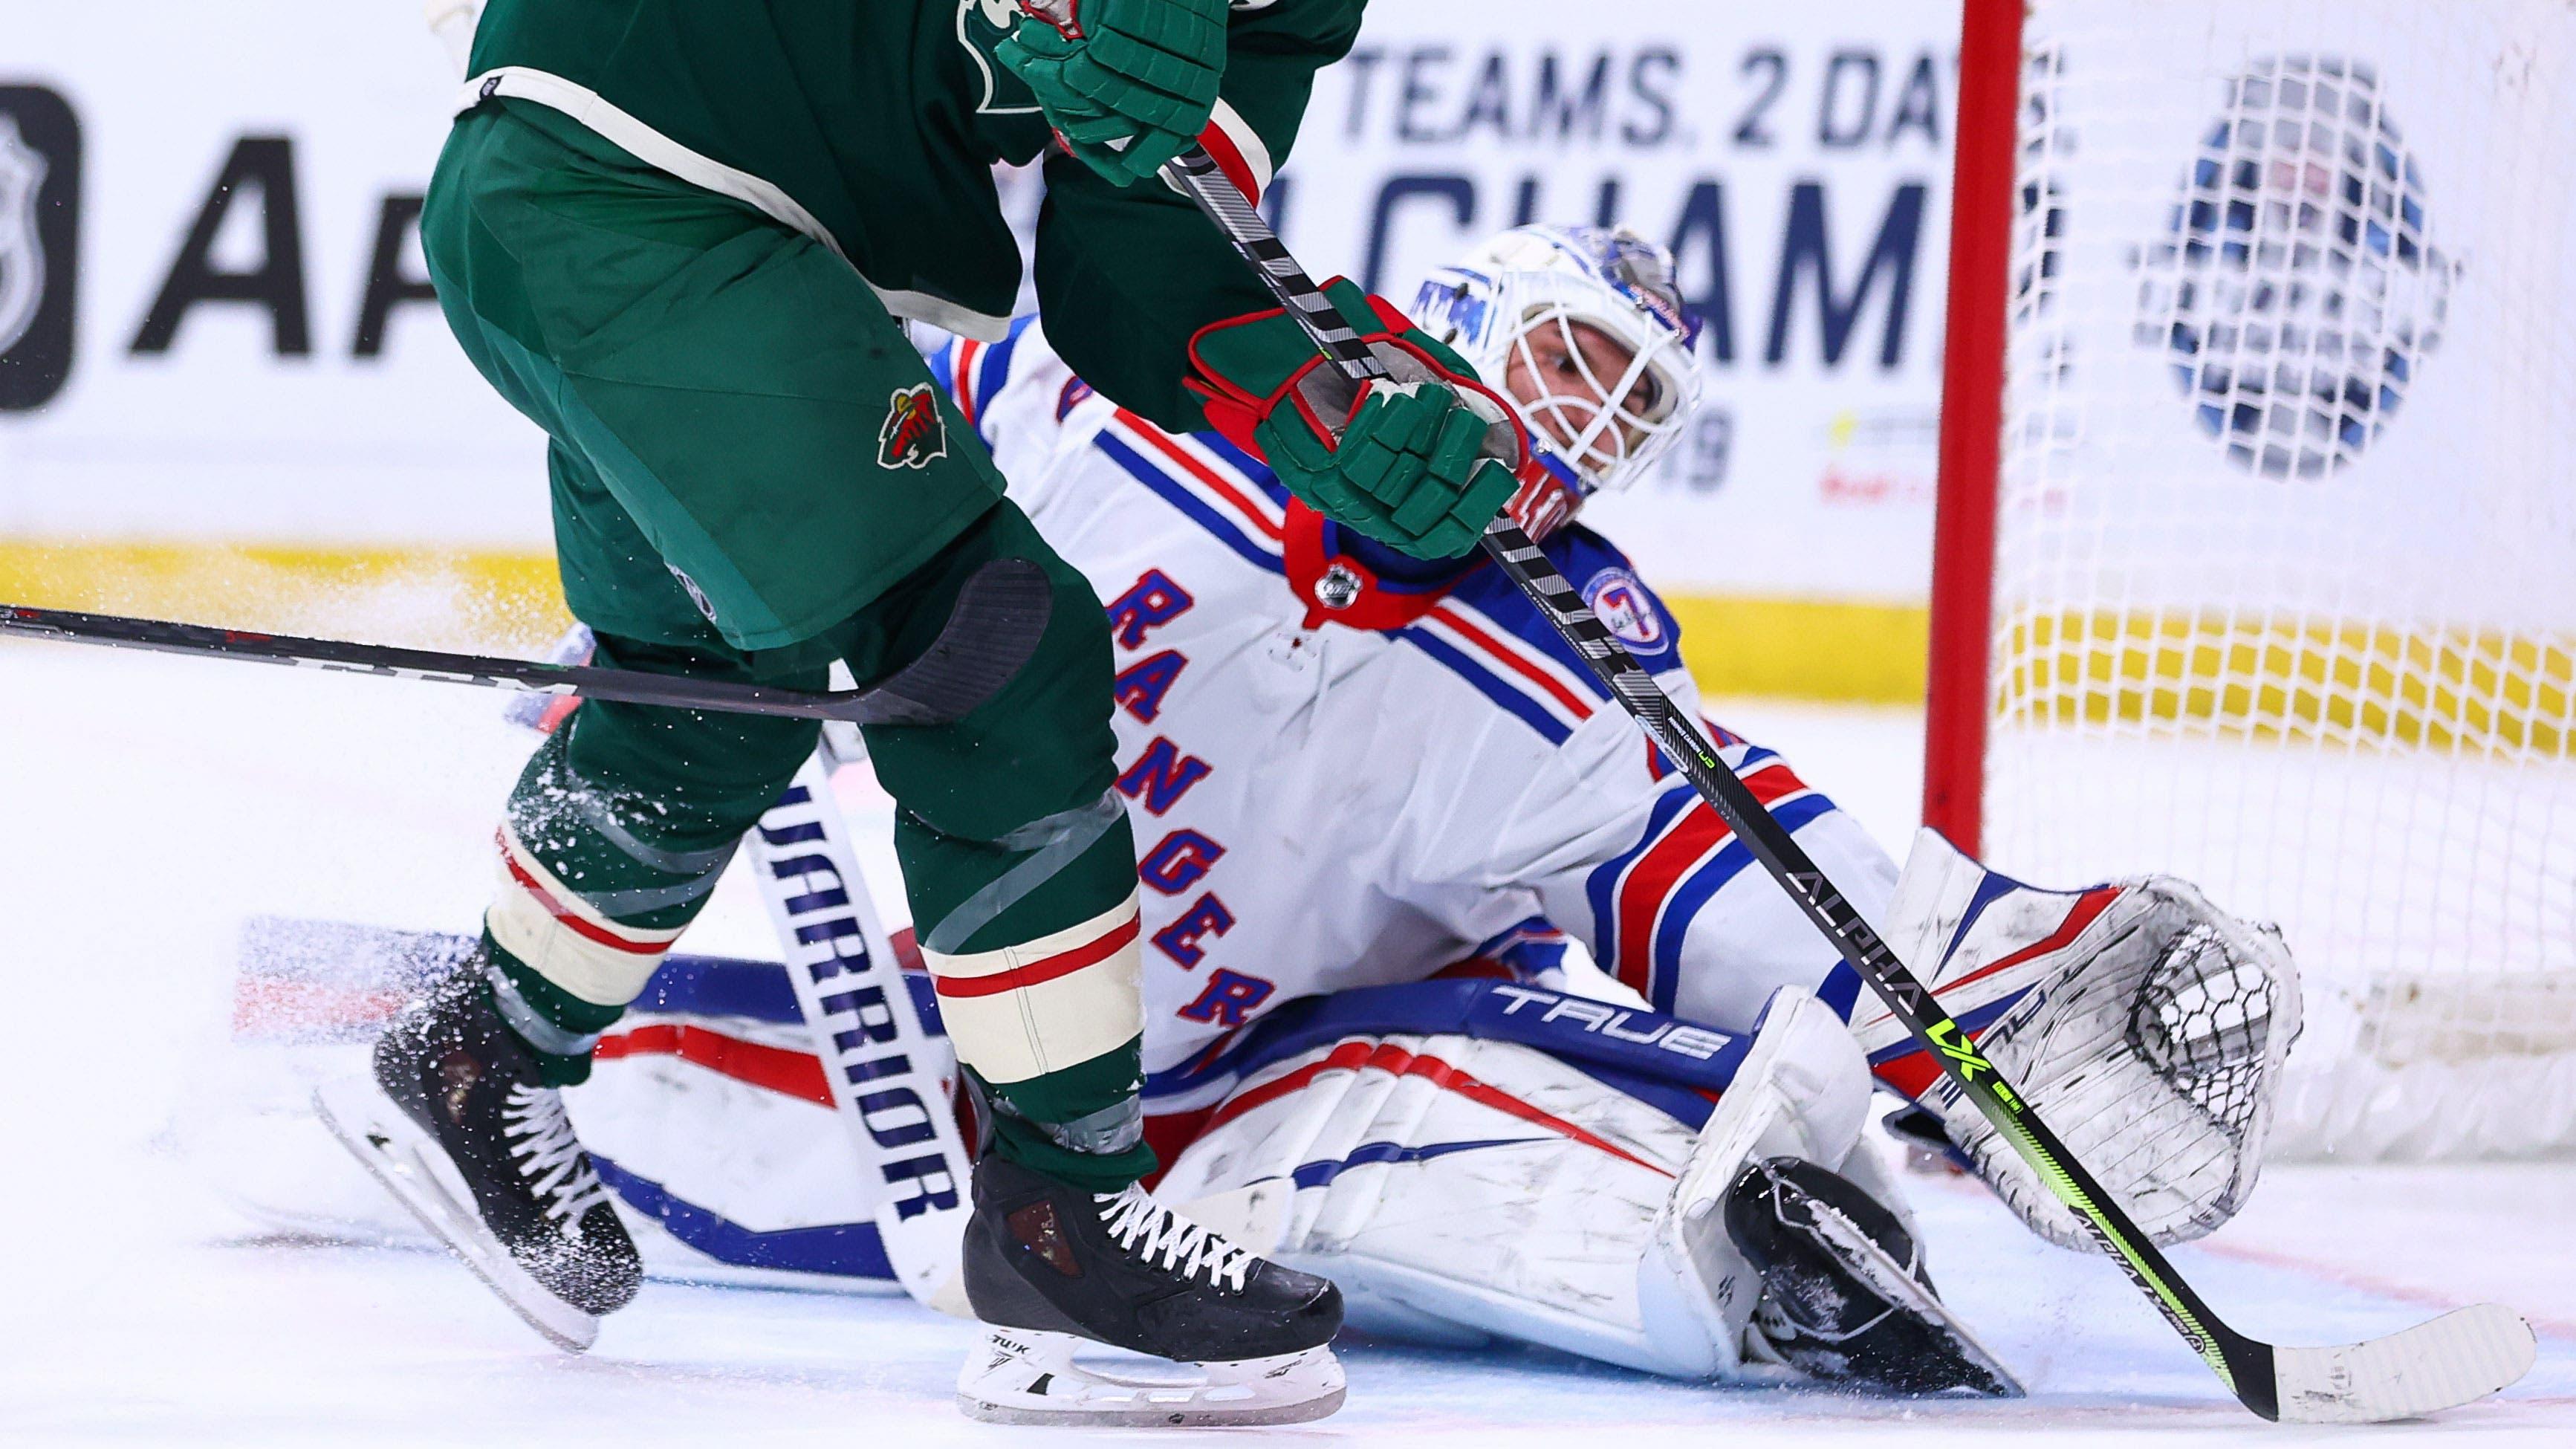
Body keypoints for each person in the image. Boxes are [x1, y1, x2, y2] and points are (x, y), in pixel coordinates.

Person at [542, 224, 2300, 1389]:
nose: (1580, 421)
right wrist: (688, 580)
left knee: (1434, 1070)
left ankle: (1768, 1243)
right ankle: (376, 1025)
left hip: (1237, 1101)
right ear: (1457, 317)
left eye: (1624, 412)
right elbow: (837, 449)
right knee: (615, 1091)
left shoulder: (1568, 671)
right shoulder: (1116, 402)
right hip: (953, 1031)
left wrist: (1990, 987)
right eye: (1565, 360)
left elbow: (1739, 872)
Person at [317, 0, 1538, 1426]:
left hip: (675, 237)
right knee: (994, 650)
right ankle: (1061, 1226)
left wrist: (1328, 403)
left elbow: (1140, 262)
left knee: (718, 690)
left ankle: (480, 1049)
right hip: (634, 174)